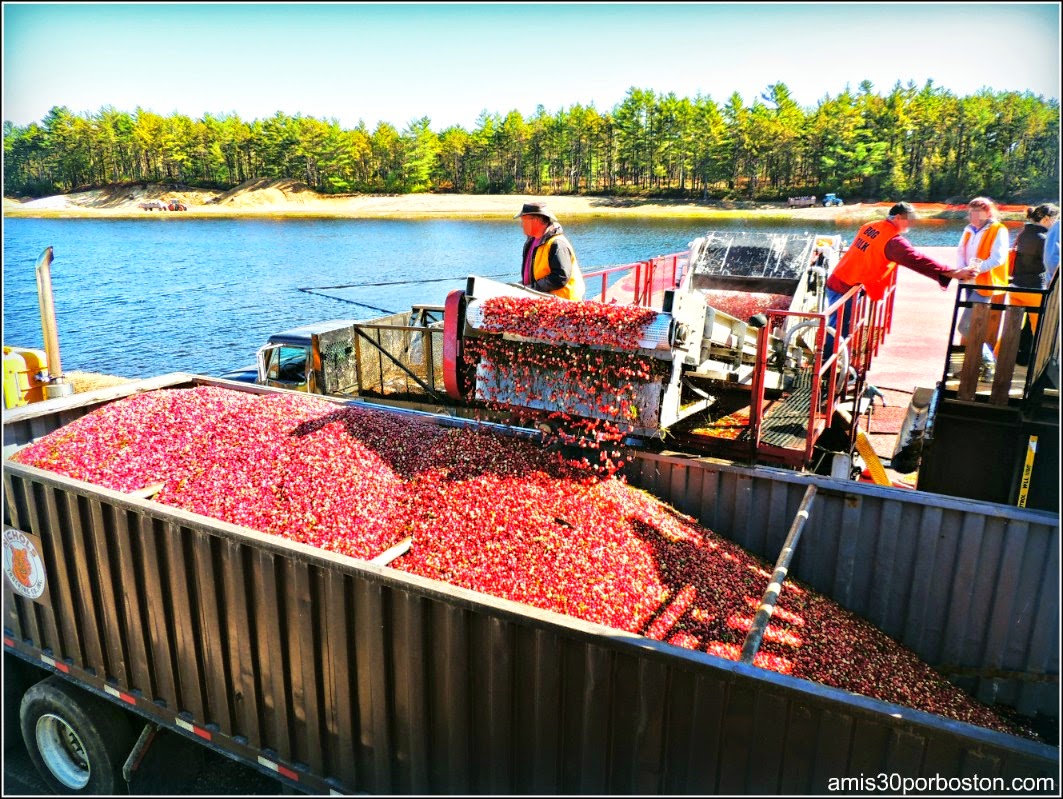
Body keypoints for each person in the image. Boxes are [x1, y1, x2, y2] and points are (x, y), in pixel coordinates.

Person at [823, 202, 978, 361]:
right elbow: (917, 260)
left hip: (842, 279)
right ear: (897, 217)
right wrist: (953, 273)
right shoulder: (893, 241)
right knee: (839, 328)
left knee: (839, 325)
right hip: (845, 287)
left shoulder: (871, 225)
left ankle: (832, 360)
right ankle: (828, 363)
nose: (912, 223)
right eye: (909, 219)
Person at [956, 197, 1010, 348]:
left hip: (984, 284)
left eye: (978, 212)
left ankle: (987, 360)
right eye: (971, 212)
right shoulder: (968, 229)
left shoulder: (998, 229)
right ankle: (975, 361)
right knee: (971, 326)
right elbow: (961, 251)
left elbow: (998, 258)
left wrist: (975, 271)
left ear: (988, 213)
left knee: (967, 326)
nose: (973, 216)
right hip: (968, 281)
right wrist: (962, 271)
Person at [1012, 203, 1059, 364]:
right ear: (1046, 219)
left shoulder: (1024, 233)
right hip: (1035, 289)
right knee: (1039, 331)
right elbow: (1049, 263)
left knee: (1012, 329)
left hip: (1016, 285)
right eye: (1055, 219)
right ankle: (1038, 366)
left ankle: (998, 360)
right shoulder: (1045, 238)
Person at [515, 201, 585, 301]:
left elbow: (560, 277)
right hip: (544, 300)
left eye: (523, 220)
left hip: (564, 304)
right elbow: (534, 273)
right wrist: (522, 285)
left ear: (535, 220)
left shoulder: (557, 243)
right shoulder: (532, 241)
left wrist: (533, 287)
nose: (521, 225)